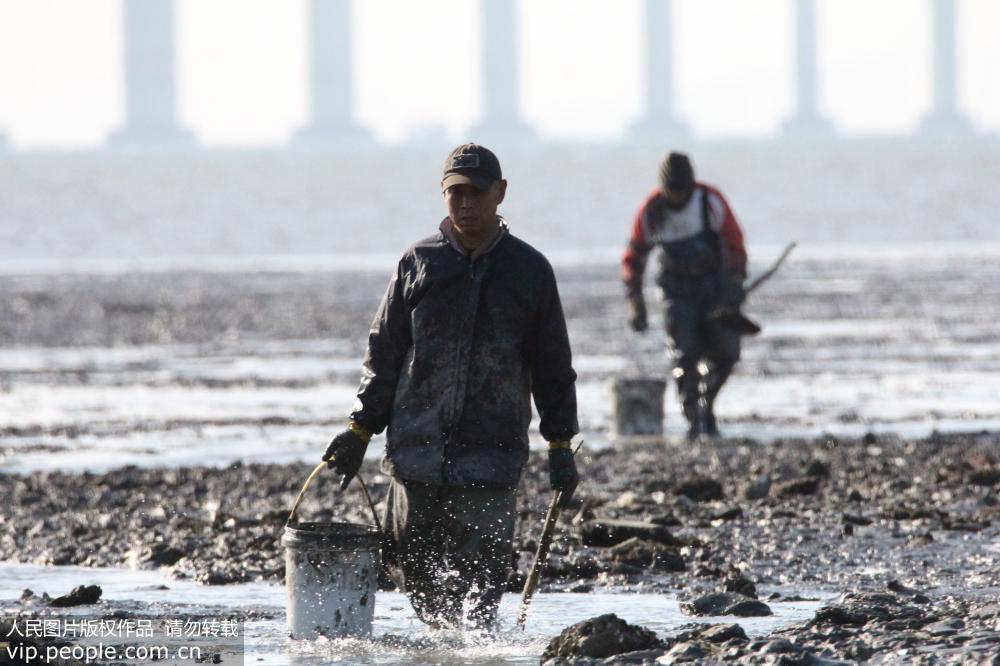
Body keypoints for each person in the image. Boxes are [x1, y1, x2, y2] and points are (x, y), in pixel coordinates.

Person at [321, 143, 580, 631]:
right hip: (416, 451)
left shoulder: (529, 271)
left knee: (484, 583)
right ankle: (443, 647)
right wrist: (358, 431)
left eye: (476, 193)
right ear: (443, 195)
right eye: (455, 193)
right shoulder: (418, 263)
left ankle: (478, 646)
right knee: (417, 578)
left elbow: (553, 367)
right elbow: (384, 354)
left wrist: (561, 443)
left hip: (492, 455)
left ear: (500, 193)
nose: (465, 204)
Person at [621, 151, 748, 440]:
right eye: (672, 191)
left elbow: (734, 241)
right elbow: (634, 256)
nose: (678, 197)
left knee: (727, 354)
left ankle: (708, 404)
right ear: (664, 188)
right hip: (676, 294)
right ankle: (692, 421)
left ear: (691, 186)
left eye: (682, 191)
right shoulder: (651, 211)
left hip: (714, 291)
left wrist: (736, 281)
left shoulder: (710, 201)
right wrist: (635, 301)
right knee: (684, 355)